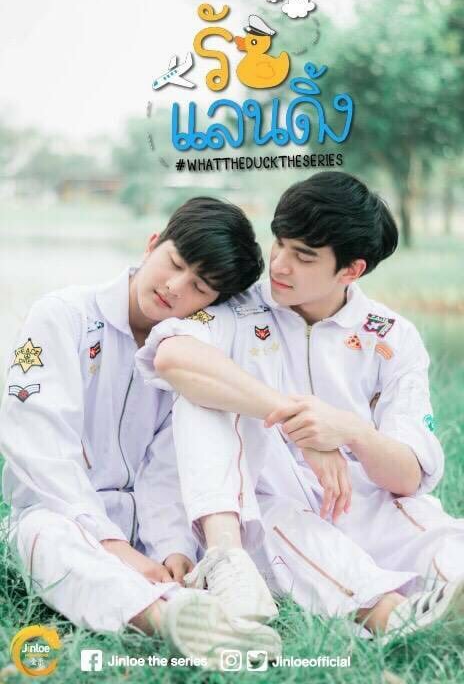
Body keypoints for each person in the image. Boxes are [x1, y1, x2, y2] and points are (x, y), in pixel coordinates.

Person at [137, 172, 464, 639]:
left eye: (303, 256)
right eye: (280, 243)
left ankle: (447, 597)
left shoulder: (392, 337)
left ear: (351, 270)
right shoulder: (237, 308)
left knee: (431, 530)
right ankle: (393, 616)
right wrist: (299, 422)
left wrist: (348, 430)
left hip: (356, 497)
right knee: (294, 531)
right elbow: (172, 357)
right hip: (262, 502)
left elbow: (408, 476)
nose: (279, 264)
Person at [0, 197, 282, 670]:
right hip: (62, 516)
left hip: (147, 533)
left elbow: (168, 468)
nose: (175, 287)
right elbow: (39, 446)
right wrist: (111, 544)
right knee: (42, 540)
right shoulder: (63, 316)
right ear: (153, 244)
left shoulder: (187, 354)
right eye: (175, 263)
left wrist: (172, 547)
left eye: (199, 287)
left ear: (212, 302)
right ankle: (169, 619)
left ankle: (192, 607)